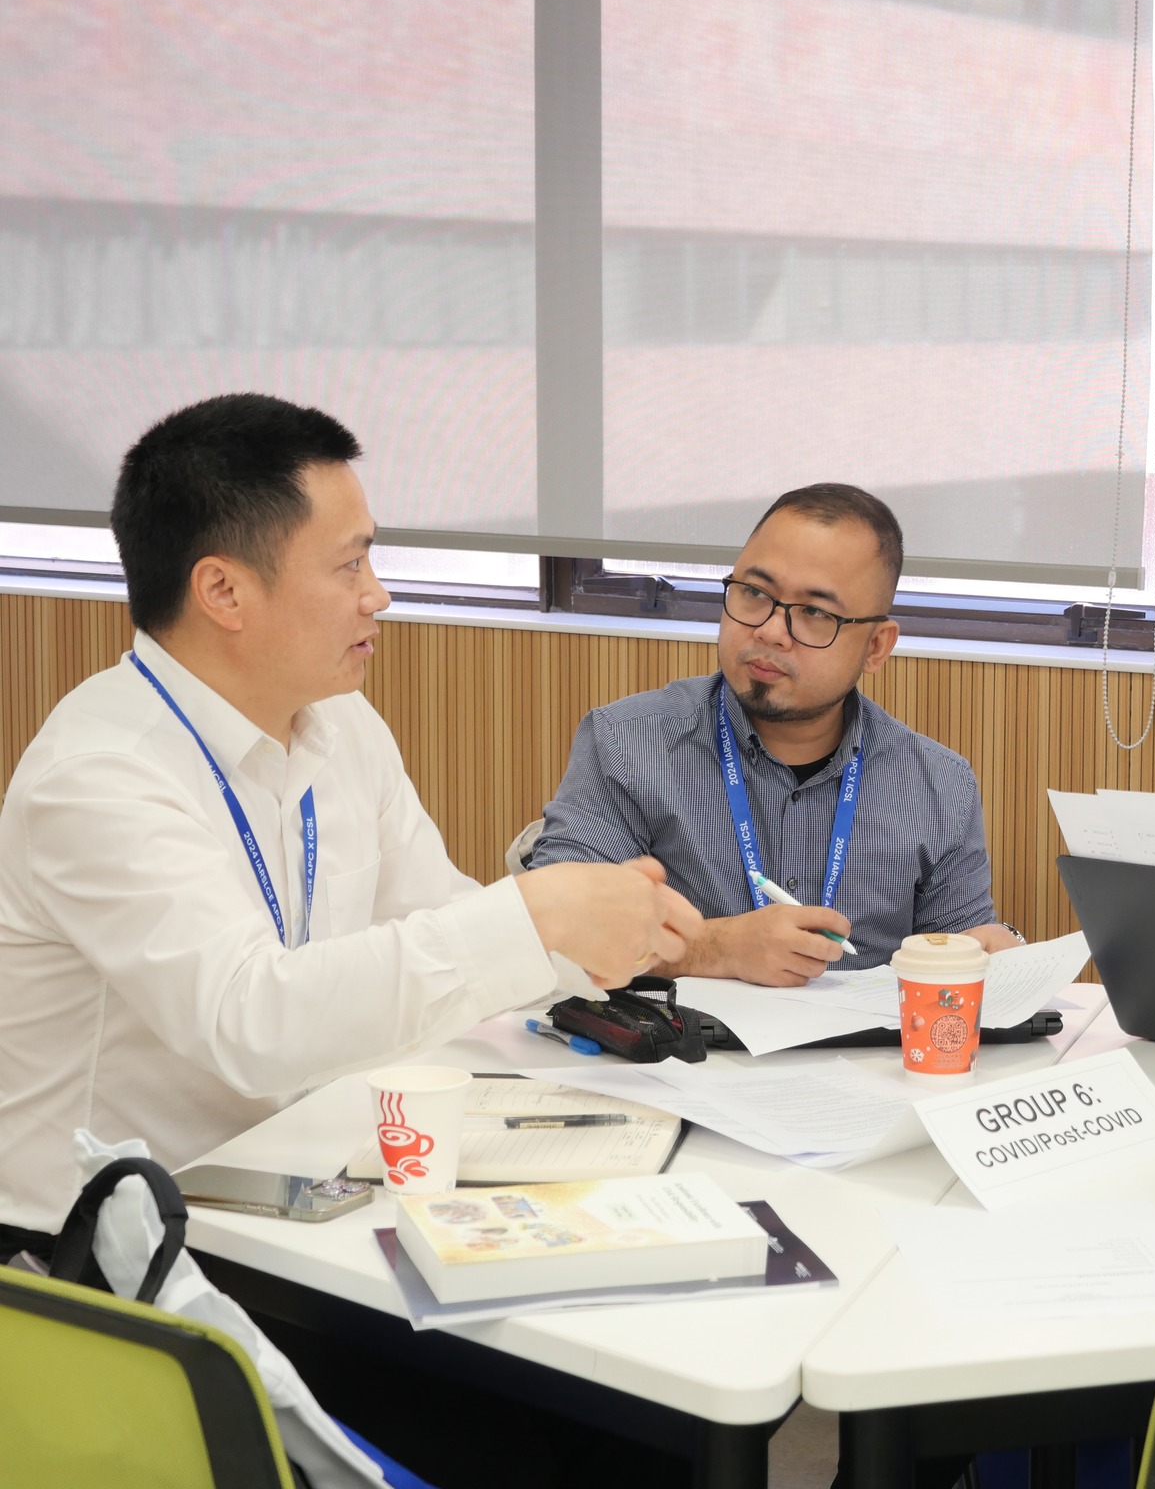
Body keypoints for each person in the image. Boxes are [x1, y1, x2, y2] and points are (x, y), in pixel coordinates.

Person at [0, 394, 702, 1237]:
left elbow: (427, 915)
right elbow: (249, 1021)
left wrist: (582, 940)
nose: (380, 596)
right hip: (105, 1255)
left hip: (288, 1187)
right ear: (222, 589)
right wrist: (534, 916)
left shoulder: (337, 721)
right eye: (349, 566)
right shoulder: (98, 776)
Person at [531, 482, 1019, 987]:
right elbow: (554, 944)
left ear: (876, 646)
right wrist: (716, 948)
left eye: (814, 613)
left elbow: (957, 975)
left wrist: (992, 953)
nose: (768, 630)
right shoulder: (626, 745)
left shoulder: (939, 784)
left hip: (865, 1063)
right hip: (678, 1058)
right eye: (756, 593)